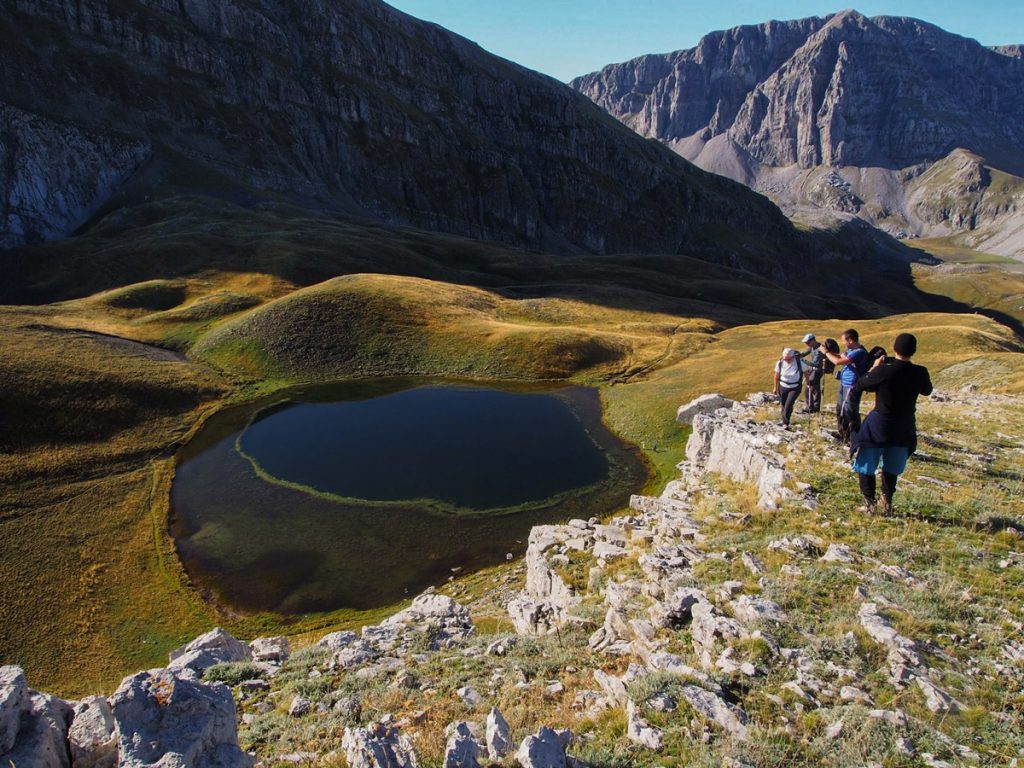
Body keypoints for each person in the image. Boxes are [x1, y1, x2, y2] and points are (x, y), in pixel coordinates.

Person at [850, 333, 933, 514]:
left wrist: (874, 368)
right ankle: (886, 502)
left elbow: (861, 384)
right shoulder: (920, 372)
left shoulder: (884, 370)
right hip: (904, 426)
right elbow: (927, 390)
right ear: (913, 351)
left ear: (894, 349)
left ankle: (869, 504)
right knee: (892, 465)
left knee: (866, 463)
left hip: (880, 423)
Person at [821, 328, 869, 443]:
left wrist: (826, 352)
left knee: (850, 411)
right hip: (844, 383)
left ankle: (853, 437)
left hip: (852, 385)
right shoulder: (851, 350)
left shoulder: (859, 352)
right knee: (840, 409)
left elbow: (838, 362)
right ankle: (842, 433)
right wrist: (828, 351)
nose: (844, 343)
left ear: (851, 340)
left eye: (844, 341)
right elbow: (839, 357)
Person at [772, 347, 808, 429]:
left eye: (789, 359)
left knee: (788, 404)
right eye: (785, 359)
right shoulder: (780, 363)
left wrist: (808, 383)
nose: (787, 361)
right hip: (783, 386)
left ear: (793, 357)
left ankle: (785, 423)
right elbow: (776, 376)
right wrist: (775, 387)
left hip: (795, 387)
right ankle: (785, 420)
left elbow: (806, 372)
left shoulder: (800, 363)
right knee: (784, 405)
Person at [797, 333, 824, 413]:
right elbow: (804, 353)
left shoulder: (819, 350)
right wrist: (798, 354)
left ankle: (811, 408)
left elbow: (815, 363)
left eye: (808, 342)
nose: (806, 344)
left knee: (809, 388)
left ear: (813, 341)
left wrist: (802, 360)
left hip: (817, 371)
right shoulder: (812, 347)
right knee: (815, 388)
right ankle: (815, 407)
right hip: (814, 370)